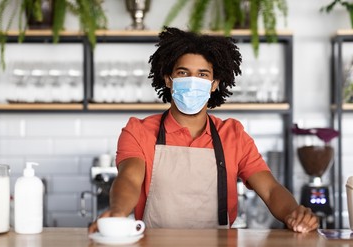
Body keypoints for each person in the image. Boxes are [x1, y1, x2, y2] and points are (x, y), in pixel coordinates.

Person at [89, 26, 319, 233]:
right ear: (168, 79)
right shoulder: (138, 131)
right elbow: (129, 179)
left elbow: (269, 189)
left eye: (202, 74)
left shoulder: (233, 135)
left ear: (214, 84)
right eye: (183, 73)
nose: (192, 81)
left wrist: (294, 214)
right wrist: (118, 212)